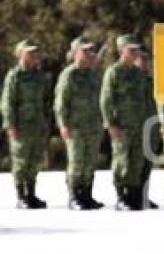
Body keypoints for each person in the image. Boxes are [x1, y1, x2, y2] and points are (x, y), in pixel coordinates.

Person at [101, 34, 150, 210]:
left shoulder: (138, 73)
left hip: (139, 124)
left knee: (136, 161)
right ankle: (122, 196)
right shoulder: (114, 72)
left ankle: (133, 193)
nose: (135, 53)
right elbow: (106, 100)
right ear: (122, 51)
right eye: (131, 50)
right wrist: (110, 124)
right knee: (122, 160)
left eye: (137, 49)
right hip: (121, 125)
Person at [54, 36, 104, 210]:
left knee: (90, 161)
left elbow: (101, 100)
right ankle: (75, 196)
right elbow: (61, 102)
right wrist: (63, 124)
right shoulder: (69, 75)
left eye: (91, 50)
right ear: (75, 53)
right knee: (77, 161)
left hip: (93, 125)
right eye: (85, 50)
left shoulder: (93, 75)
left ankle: (87, 194)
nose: (89, 54)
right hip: (75, 126)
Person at [1, 39, 49, 208]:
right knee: (21, 161)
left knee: (34, 161)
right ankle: (22, 196)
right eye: (30, 52)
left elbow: (45, 101)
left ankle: (31, 193)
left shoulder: (39, 76)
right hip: (20, 126)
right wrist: (10, 125)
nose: (34, 55)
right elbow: (8, 102)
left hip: (36, 125)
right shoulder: (15, 75)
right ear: (20, 54)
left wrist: (45, 123)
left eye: (35, 52)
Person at [135, 45, 160, 208]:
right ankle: (131, 195)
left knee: (146, 164)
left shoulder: (153, 82)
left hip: (151, 128)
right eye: (142, 59)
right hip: (134, 128)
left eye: (148, 60)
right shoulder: (131, 79)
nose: (146, 63)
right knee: (133, 164)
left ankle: (143, 195)